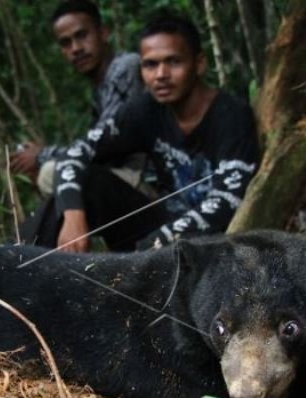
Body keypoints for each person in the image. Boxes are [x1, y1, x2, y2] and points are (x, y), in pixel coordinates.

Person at [23, 11, 259, 252]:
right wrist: (73, 214)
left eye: (174, 62)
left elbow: (227, 201)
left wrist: (149, 248)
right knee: (84, 184)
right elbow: (75, 154)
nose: (161, 75)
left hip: (213, 245)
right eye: (150, 65)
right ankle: (18, 265)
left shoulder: (231, 116)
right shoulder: (146, 109)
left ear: (199, 64)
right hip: (157, 231)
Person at [10, 0, 145, 195]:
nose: (76, 49)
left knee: (53, 173)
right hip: (125, 181)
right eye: (66, 43)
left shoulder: (125, 68)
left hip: (151, 182)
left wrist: (42, 155)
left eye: (82, 36)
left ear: (103, 32)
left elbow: (106, 143)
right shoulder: (100, 90)